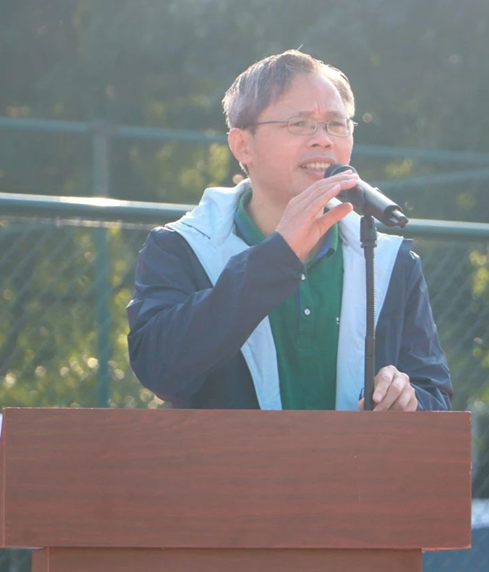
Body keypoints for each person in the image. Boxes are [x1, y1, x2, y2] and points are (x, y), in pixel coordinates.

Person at [127, 50, 452, 411]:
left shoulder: (390, 261)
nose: (323, 140)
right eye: (300, 124)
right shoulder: (180, 247)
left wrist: (409, 400)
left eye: (336, 124)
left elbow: (436, 399)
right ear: (242, 145)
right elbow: (158, 370)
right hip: (233, 452)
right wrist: (277, 256)